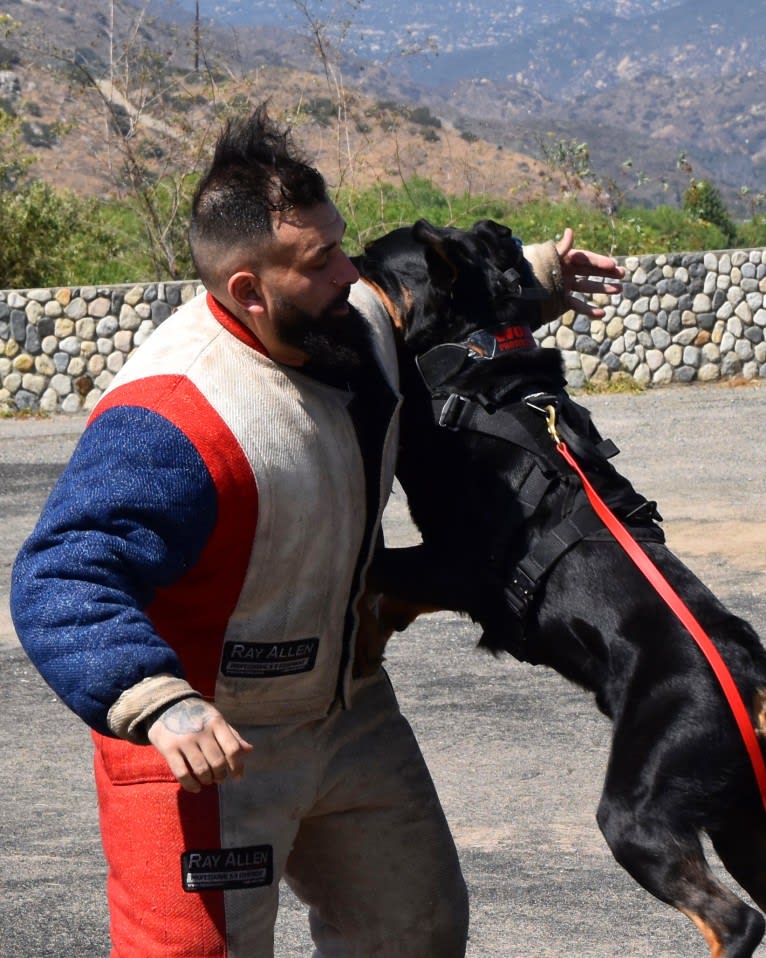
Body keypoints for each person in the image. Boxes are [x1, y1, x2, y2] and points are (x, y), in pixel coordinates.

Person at [10, 104, 624, 958]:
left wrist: (544, 271)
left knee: (415, 931)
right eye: (320, 261)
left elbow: (430, 294)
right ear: (249, 291)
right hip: (205, 741)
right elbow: (63, 574)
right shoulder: (173, 419)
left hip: (348, 710)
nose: (349, 273)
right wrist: (159, 701)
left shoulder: (349, 317)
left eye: (340, 243)